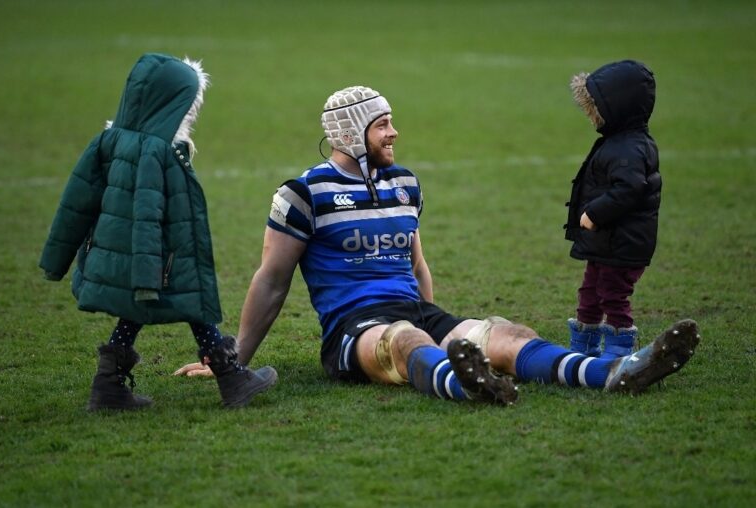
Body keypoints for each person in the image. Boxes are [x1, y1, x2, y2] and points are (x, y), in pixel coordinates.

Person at [175, 85, 699, 404]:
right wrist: (233, 358)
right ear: (350, 133)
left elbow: (417, 262)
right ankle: (466, 383)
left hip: (415, 310)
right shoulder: (302, 193)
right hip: (352, 329)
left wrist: (438, 315)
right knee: (403, 341)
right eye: (382, 125)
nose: (394, 133)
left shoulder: (405, 184)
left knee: (503, 333)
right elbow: (271, 280)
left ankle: (613, 373)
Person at [39, 53, 277, 411]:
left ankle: (109, 386)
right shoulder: (157, 153)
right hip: (157, 256)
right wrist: (148, 274)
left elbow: (75, 201)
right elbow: (148, 216)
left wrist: (56, 260)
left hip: (131, 253)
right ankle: (231, 376)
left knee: (148, 307)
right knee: (191, 300)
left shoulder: (111, 139)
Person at [565, 60, 661, 360]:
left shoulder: (629, 148)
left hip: (622, 244)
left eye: (597, 106)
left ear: (618, 107)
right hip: (607, 243)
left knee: (613, 297)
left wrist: (594, 213)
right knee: (590, 293)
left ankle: (618, 357)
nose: (592, 115)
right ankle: (582, 352)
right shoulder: (619, 142)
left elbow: (629, 189)